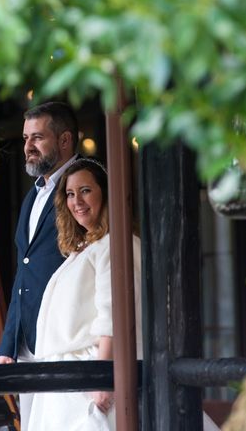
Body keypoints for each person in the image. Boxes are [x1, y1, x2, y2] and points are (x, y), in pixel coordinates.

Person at [27, 158, 221, 431]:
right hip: (67, 384)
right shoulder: (83, 249)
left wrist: (104, 379)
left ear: (105, 194)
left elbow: (114, 315)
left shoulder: (117, 244)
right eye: (70, 194)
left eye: (85, 190)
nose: (77, 201)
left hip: (93, 379)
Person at [0, 101, 79, 430]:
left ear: (64, 140)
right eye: (25, 137)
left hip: (66, 337)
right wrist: (9, 345)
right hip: (29, 341)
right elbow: (24, 272)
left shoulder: (82, 188)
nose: (27, 146)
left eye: (37, 138)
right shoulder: (33, 195)